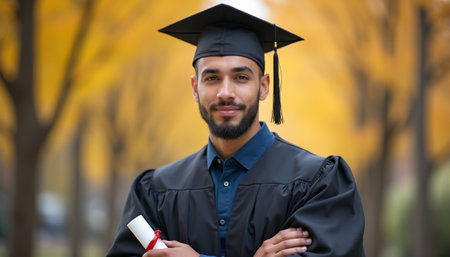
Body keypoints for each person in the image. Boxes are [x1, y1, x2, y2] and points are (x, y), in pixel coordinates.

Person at [107, 4, 365, 257]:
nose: (226, 92)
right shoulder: (155, 193)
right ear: (195, 88)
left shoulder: (318, 184)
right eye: (212, 78)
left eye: (241, 77)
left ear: (264, 86)